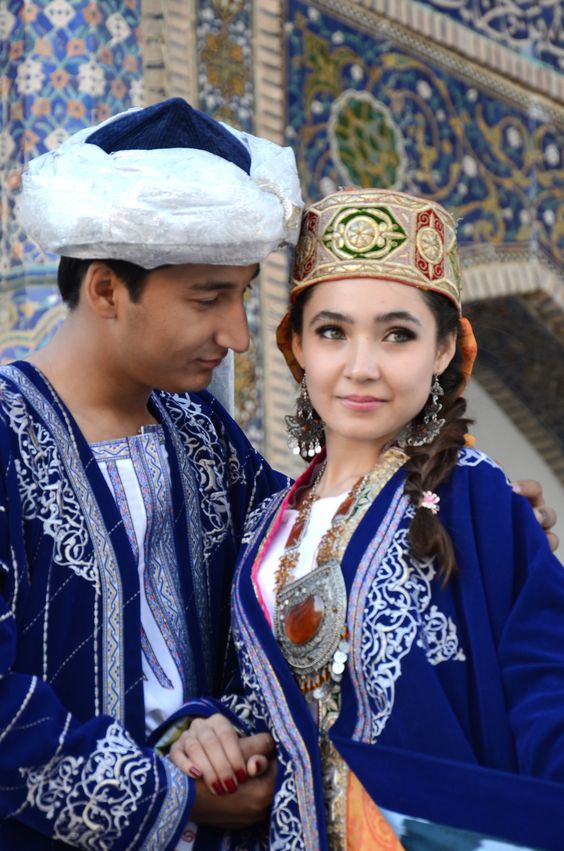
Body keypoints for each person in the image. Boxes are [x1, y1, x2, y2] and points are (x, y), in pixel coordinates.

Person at [169, 189, 564, 850]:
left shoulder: (474, 496)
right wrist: (204, 726)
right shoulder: (263, 523)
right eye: (333, 332)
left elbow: (546, 681)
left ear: (443, 350)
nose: (361, 366)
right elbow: (257, 694)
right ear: (296, 344)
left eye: (397, 334)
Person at [0, 98, 303, 849]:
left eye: (242, 296)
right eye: (210, 298)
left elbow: (293, 574)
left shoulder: (201, 431)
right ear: (106, 289)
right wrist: (177, 795)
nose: (235, 334)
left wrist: (226, 728)